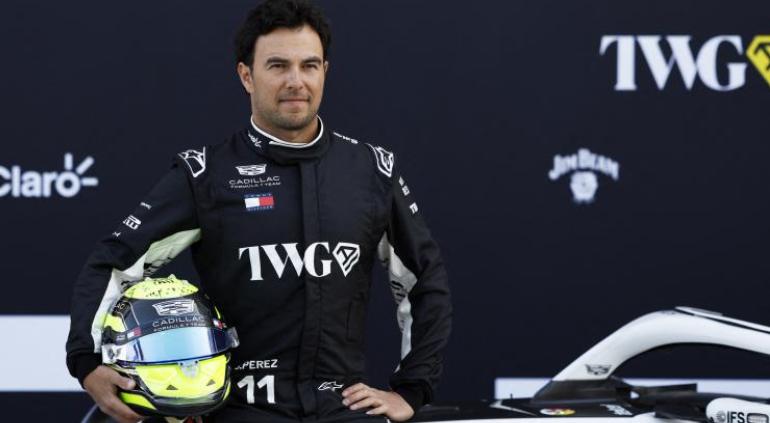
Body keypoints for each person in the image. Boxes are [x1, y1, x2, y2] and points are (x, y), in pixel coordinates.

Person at [65, 1, 452, 422]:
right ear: (246, 75)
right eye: (278, 66)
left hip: (342, 408)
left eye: (309, 66)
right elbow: (114, 262)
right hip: (238, 409)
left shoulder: (372, 170)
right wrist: (87, 361)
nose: (296, 81)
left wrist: (412, 388)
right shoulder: (205, 174)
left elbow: (423, 278)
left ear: (325, 71)